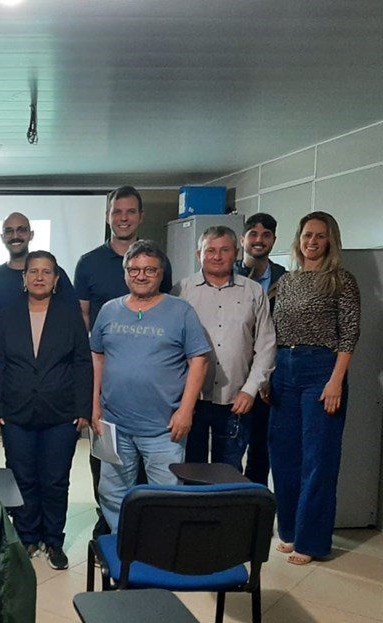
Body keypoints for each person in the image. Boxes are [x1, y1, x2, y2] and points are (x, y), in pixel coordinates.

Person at [74, 186, 174, 536]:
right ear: (108, 216)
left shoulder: (158, 261)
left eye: (130, 212)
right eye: (117, 212)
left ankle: (145, 535)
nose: (123, 218)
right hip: (107, 384)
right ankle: (110, 528)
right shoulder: (89, 263)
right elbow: (83, 322)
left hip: (151, 396)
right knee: (106, 464)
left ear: (140, 216)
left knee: (148, 472)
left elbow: (165, 311)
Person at [91, 241, 211, 531]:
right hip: (113, 425)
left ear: (160, 274)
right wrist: (94, 405)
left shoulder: (181, 311)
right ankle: (125, 547)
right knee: (112, 493)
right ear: (125, 272)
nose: (141, 275)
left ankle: (157, 553)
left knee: (164, 496)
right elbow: (97, 355)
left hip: (164, 428)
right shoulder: (109, 310)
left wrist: (186, 410)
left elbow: (200, 360)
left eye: (149, 270)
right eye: (134, 269)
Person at [0, 251, 92, 570]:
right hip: (17, 411)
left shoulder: (70, 314)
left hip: (61, 413)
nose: (40, 277)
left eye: (47, 272)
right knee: (23, 477)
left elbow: (83, 363)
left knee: (55, 479)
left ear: (57, 279)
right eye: (34, 271)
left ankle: (54, 540)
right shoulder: (7, 314)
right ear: (24, 278)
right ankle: (27, 536)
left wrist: (83, 408)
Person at [268, 211, 360, 565]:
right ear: (299, 239)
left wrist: (336, 380)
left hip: (321, 370)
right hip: (284, 368)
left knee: (318, 458)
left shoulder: (341, 281)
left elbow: (349, 334)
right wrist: (269, 375)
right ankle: (290, 531)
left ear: (330, 241)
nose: (312, 241)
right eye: (307, 234)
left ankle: (313, 541)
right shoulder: (287, 281)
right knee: (284, 454)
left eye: (320, 236)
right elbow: (273, 332)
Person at [174, 226, 276, 470]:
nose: (217, 256)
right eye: (210, 250)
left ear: (237, 253)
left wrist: (251, 389)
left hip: (236, 400)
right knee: (190, 470)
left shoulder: (253, 292)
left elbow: (266, 344)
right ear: (199, 253)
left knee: (228, 472)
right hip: (191, 400)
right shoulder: (181, 291)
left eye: (224, 250)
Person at [235, 212, 287, 485]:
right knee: (232, 447)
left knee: (261, 446)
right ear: (243, 238)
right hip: (232, 371)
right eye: (253, 234)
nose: (259, 240)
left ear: (273, 240)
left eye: (266, 235)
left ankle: (254, 510)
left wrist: (269, 376)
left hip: (268, 376)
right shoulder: (227, 274)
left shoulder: (285, 280)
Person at [0, 211, 75, 315]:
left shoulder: (54, 273)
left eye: (22, 230)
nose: (15, 235)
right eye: (9, 231)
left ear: (31, 234)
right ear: (2, 237)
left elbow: (73, 314)